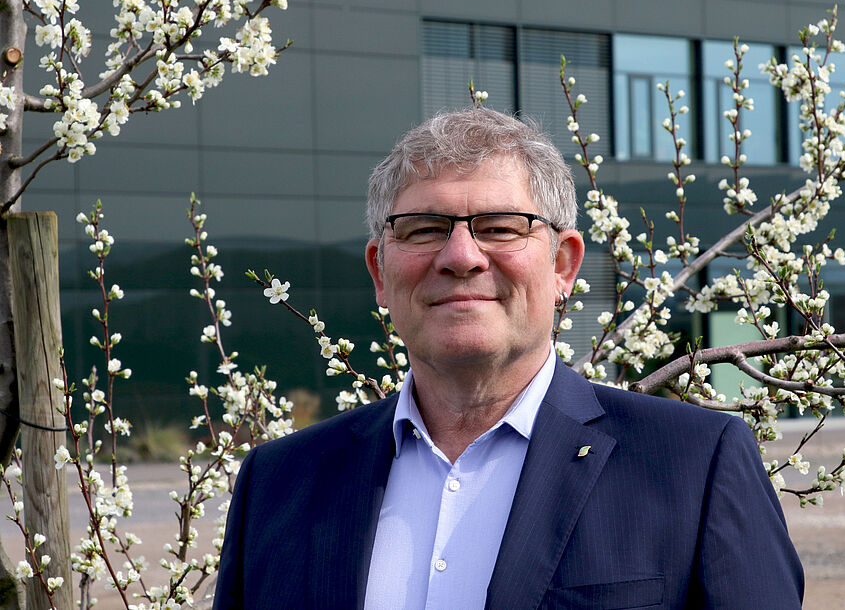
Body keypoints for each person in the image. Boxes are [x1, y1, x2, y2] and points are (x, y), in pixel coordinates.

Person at [213, 108, 804, 609]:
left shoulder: (694, 464)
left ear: (563, 266)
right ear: (379, 271)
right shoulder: (277, 484)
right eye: (423, 229)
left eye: (499, 226)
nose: (461, 256)